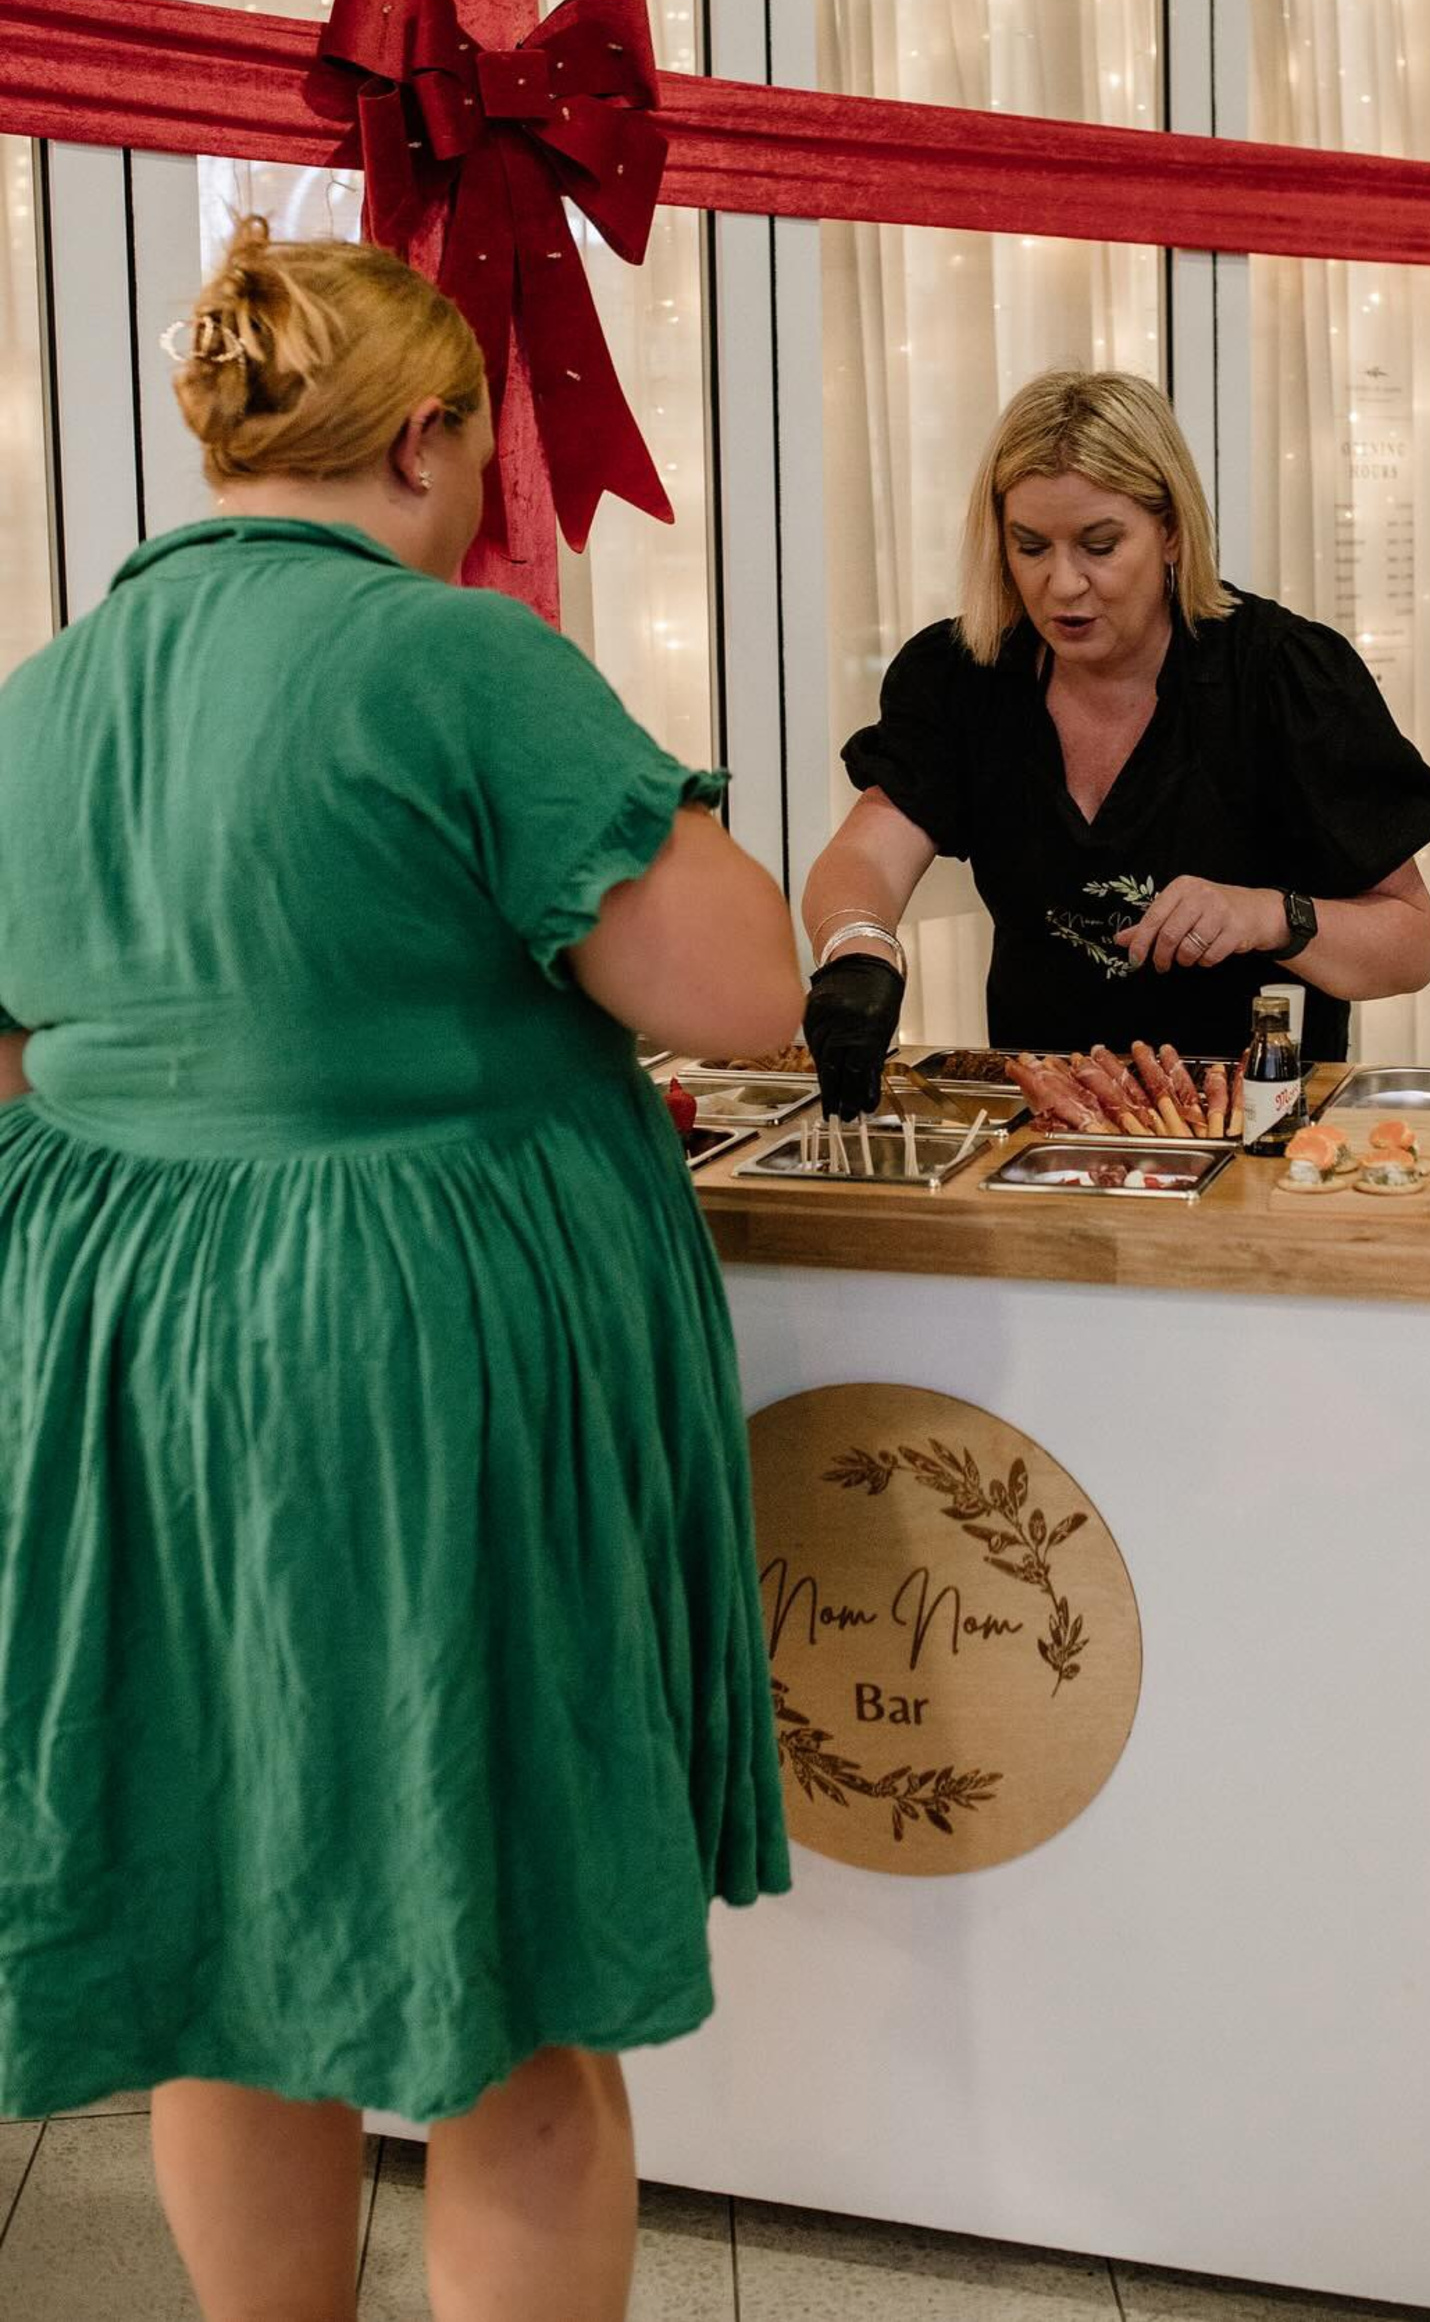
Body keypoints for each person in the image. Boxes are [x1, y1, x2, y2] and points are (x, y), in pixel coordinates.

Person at [0, 222, 801, 2322]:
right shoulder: (457, 656)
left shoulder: (47, 693)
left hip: (116, 1367)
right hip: (406, 1353)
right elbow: (738, 988)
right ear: (431, 437)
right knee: (505, 1960)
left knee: (213, 1919)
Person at [802, 369, 1430, 1115]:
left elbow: (1411, 944)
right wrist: (858, 952)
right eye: (1031, 547)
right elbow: (865, 854)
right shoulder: (964, 676)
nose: (1063, 585)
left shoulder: (1280, 676)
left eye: (1100, 546)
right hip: (1047, 1124)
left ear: (1171, 530)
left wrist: (1270, 915)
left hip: (1252, 1127)